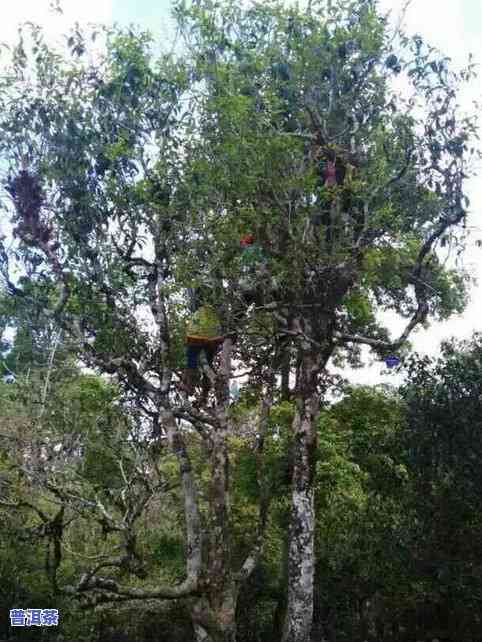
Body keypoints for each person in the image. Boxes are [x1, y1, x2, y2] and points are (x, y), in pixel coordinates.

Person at [183, 304, 224, 395]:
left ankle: (192, 385)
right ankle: (205, 389)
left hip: (201, 330)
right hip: (214, 332)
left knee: (192, 355)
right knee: (208, 361)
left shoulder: (200, 303)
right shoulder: (218, 304)